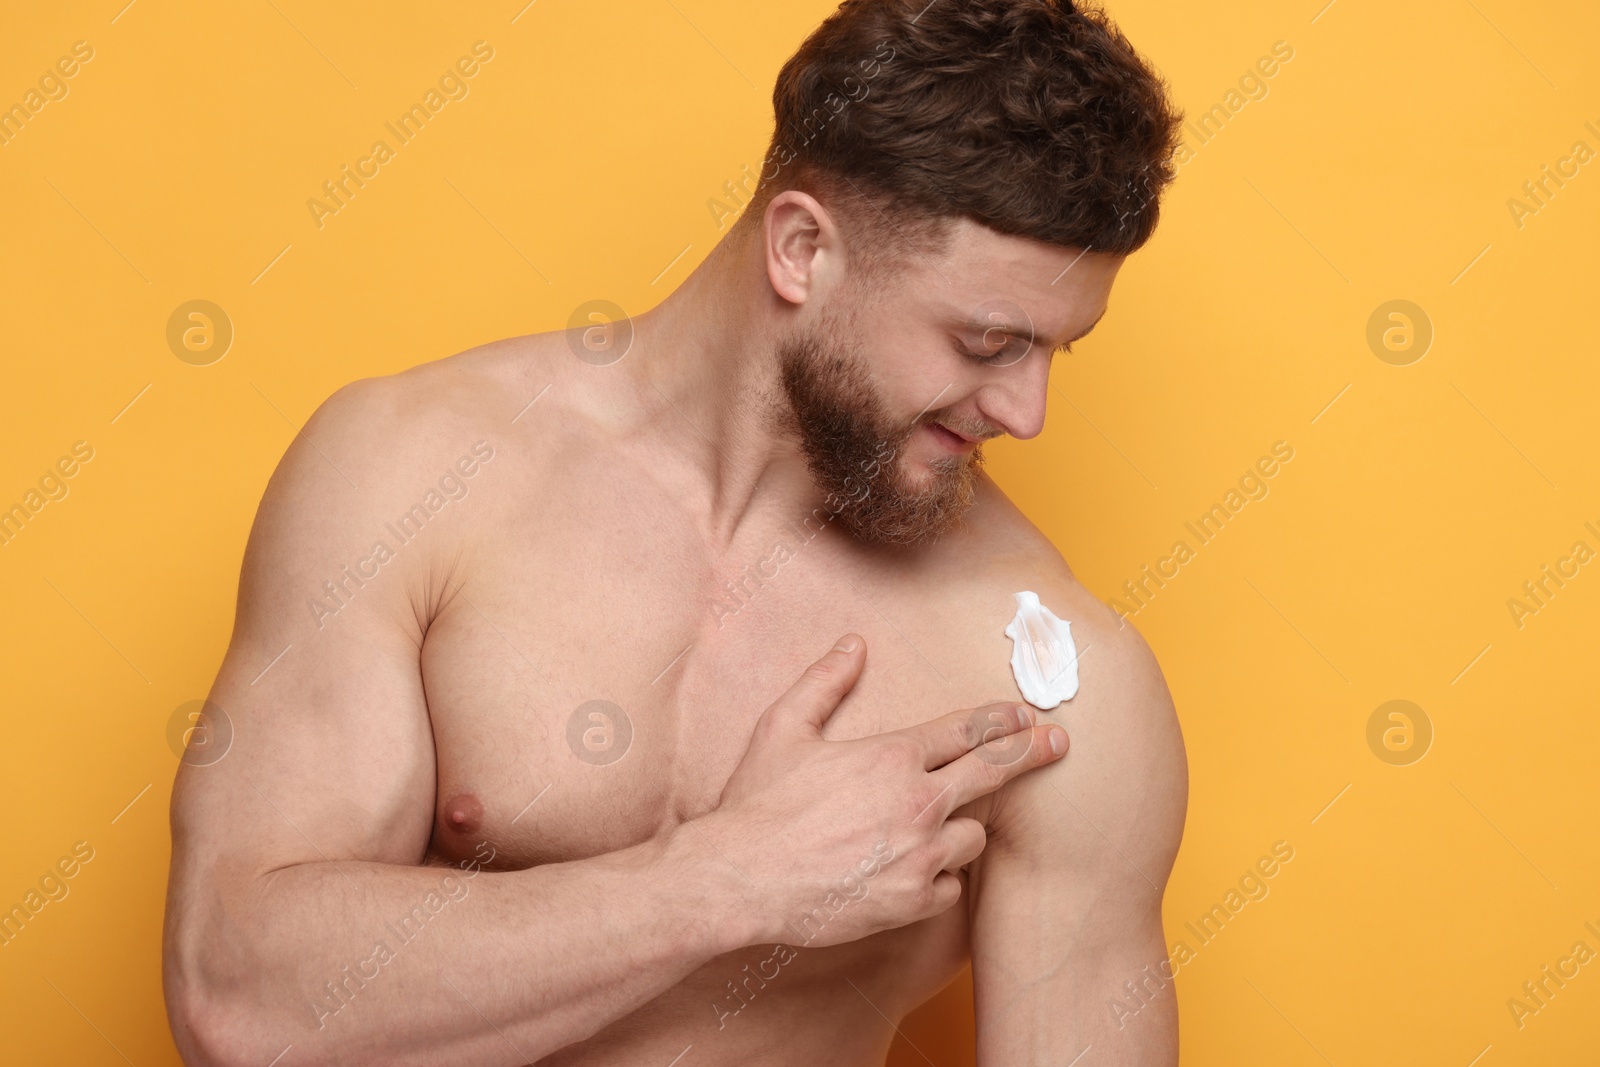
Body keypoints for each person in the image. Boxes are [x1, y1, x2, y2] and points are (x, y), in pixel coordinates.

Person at [162, 1, 1188, 1063]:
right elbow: (239, 1003)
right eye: (986, 342)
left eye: (1053, 352)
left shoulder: (1053, 688)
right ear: (801, 249)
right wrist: (731, 878)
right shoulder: (414, 477)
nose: (1024, 414)